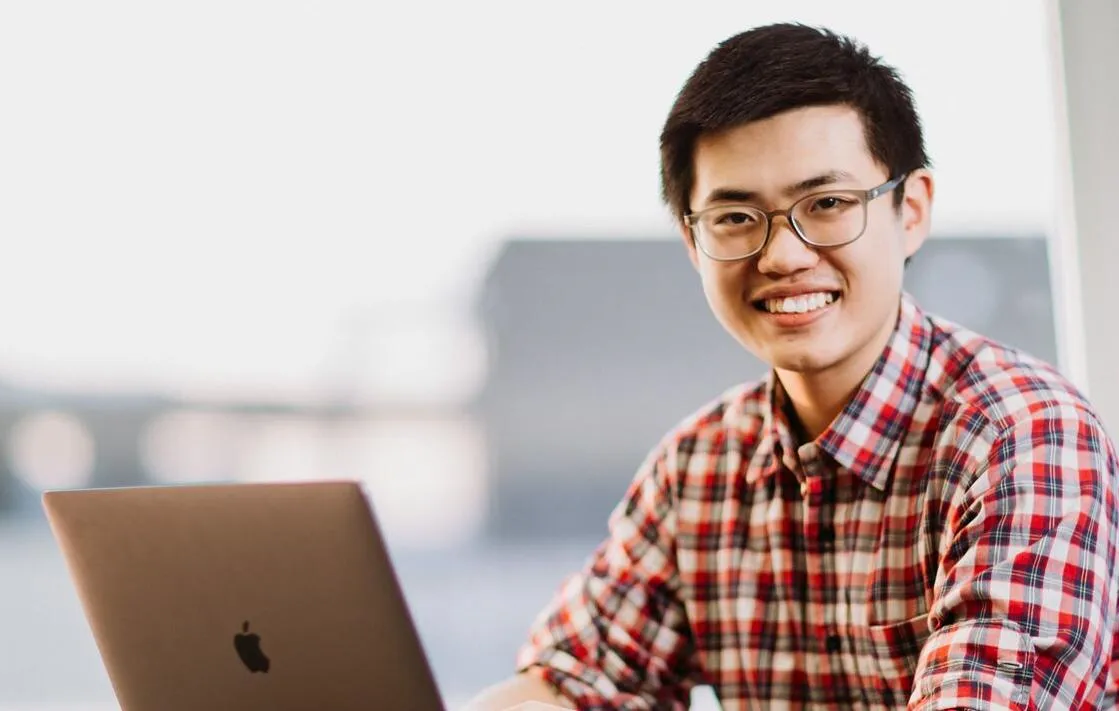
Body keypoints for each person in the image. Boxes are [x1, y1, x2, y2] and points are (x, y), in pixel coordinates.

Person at [462, 22, 1119, 711]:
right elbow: (576, 681)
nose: (780, 255)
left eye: (826, 204)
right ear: (692, 241)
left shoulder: (1022, 434)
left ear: (912, 209)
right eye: (735, 217)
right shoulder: (698, 468)